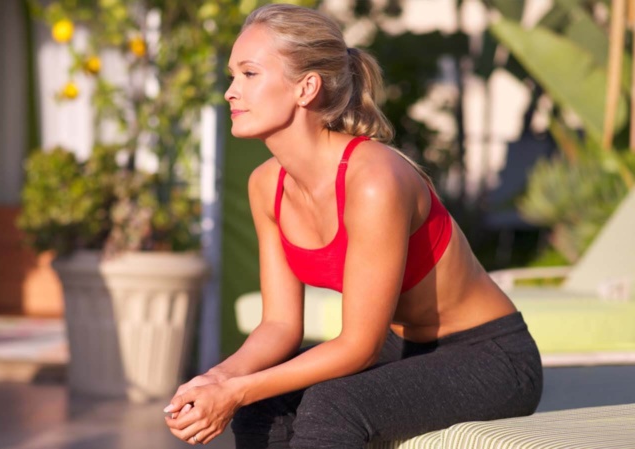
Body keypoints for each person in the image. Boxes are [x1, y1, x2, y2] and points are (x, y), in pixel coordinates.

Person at [164, 4, 543, 448]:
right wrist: (216, 379)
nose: (230, 91)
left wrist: (235, 389)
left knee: (333, 404)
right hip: (403, 348)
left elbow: (359, 345)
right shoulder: (266, 185)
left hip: (490, 358)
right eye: (232, 76)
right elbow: (281, 326)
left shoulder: (374, 181)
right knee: (264, 404)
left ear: (306, 88)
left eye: (249, 74)